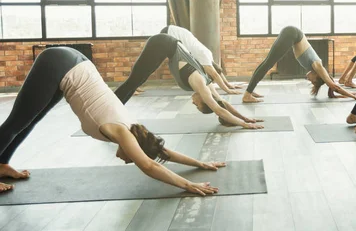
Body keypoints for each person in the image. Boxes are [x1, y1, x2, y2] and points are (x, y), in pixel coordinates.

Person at [0, 47, 225, 193]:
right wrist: (189, 185)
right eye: (132, 158)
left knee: (29, 120)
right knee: (15, 123)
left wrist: (200, 163)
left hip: (74, 66)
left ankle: (2, 164)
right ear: (135, 147)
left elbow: (161, 151)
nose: (128, 161)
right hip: (61, 63)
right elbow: (148, 164)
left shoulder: (136, 131)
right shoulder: (122, 132)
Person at [115, 33, 264, 128]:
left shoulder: (208, 86)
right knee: (133, 81)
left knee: (136, 81)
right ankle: (111, 111)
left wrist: (246, 118)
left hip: (165, 45)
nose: (194, 104)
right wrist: (245, 124)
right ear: (204, 101)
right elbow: (218, 109)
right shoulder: (201, 85)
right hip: (162, 43)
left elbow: (222, 104)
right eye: (198, 106)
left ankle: (115, 111)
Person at [243, 26, 356, 103]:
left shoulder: (315, 66)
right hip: (292, 34)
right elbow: (334, 86)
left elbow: (332, 87)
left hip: (292, 33)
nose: (309, 80)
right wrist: (353, 97)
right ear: (318, 76)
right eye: (313, 81)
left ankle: (250, 90)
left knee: (266, 62)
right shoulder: (318, 66)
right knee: (268, 64)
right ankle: (247, 95)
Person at [160, 25, 242, 94]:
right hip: (170, 33)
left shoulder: (208, 55)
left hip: (174, 30)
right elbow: (215, 74)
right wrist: (227, 90)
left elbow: (217, 71)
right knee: (158, 59)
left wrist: (229, 84)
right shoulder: (204, 57)